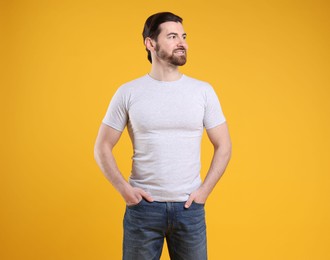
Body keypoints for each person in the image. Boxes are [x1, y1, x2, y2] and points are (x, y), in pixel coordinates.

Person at [94, 12, 232, 260]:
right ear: (151, 43)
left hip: (190, 209)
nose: (182, 42)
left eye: (184, 36)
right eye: (172, 36)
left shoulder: (203, 92)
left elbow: (223, 145)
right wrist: (126, 191)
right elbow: (102, 146)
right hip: (143, 211)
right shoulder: (128, 92)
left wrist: (203, 193)